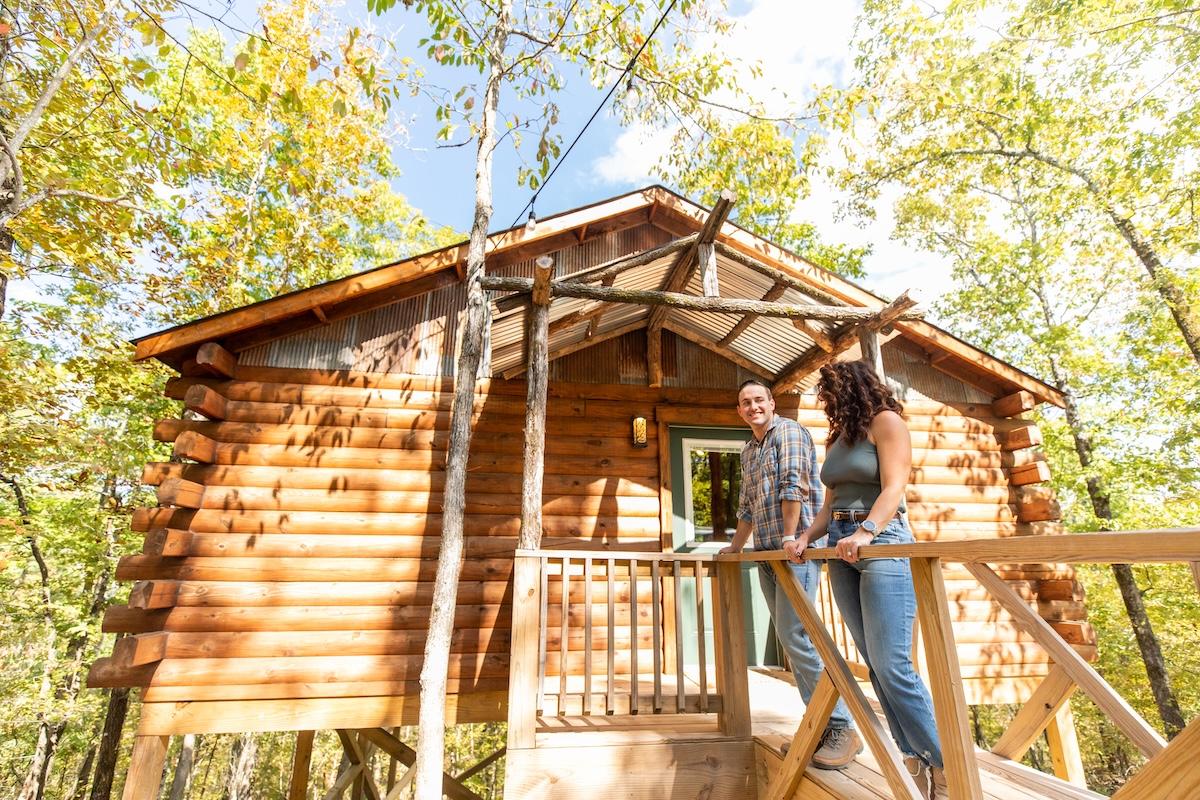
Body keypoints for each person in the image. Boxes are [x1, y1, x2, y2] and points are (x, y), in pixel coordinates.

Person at [797, 359, 946, 799]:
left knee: (894, 665)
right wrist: (806, 536)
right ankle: (913, 758)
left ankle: (944, 762)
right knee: (875, 666)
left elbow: (894, 486)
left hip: (881, 540)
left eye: (832, 392)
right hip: (841, 543)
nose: (828, 402)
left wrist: (868, 531)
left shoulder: (887, 422)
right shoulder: (838, 439)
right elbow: (830, 506)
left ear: (856, 387)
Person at [719, 378, 863, 769]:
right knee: (791, 637)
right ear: (740, 410)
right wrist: (737, 545)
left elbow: (794, 486)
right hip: (767, 555)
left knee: (798, 636)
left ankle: (841, 728)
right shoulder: (749, 450)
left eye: (758, 400)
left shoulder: (790, 433)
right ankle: (817, 724)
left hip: (797, 551)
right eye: (745, 402)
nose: (753, 407)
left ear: (772, 402)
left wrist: (789, 535)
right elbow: (748, 504)